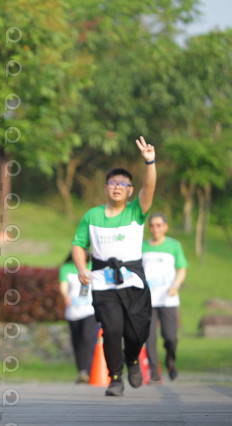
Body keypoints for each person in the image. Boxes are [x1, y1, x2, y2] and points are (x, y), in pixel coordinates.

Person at [71, 136, 156, 396]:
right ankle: (115, 379)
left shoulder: (136, 211)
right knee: (111, 330)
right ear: (106, 187)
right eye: (112, 183)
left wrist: (149, 162)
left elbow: (149, 187)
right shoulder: (92, 215)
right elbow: (78, 245)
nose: (117, 187)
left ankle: (132, 359)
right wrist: (81, 268)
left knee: (136, 333)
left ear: (130, 190)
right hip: (102, 282)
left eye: (123, 184)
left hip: (132, 281)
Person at [142, 213, 187, 383]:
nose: (155, 228)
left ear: (165, 227)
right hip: (148, 301)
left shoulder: (174, 246)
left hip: (168, 299)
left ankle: (170, 361)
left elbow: (182, 268)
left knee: (171, 338)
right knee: (149, 339)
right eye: (152, 225)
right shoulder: (142, 247)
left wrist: (176, 285)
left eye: (159, 225)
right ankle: (154, 373)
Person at [59, 250, 97, 384]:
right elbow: (63, 286)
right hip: (73, 311)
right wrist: (65, 296)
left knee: (87, 338)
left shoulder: (93, 266)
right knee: (77, 341)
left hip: (90, 310)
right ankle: (82, 371)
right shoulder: (66, 268)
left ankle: (90, 369)